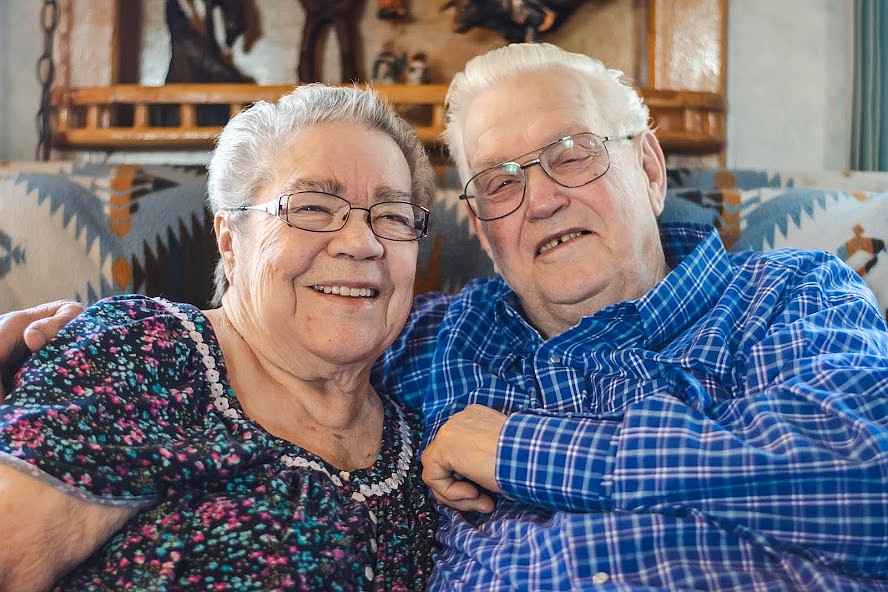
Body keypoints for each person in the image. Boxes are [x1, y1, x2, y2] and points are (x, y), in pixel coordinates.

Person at [5, 43, 888, 591]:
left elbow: (870, 488)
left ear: (650, 167)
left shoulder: (791, 299)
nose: (538, 199)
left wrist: (519, 450)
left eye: (571, 155)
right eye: (499, 182)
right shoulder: (427, 340)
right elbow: (269, 339)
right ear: (481, 227)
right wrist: (95, 340)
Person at [0, 84, 437, 591]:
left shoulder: (423, 440)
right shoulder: (145, 354)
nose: (363, 243)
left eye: (392, 216)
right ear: (230, 239)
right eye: (313, 207)